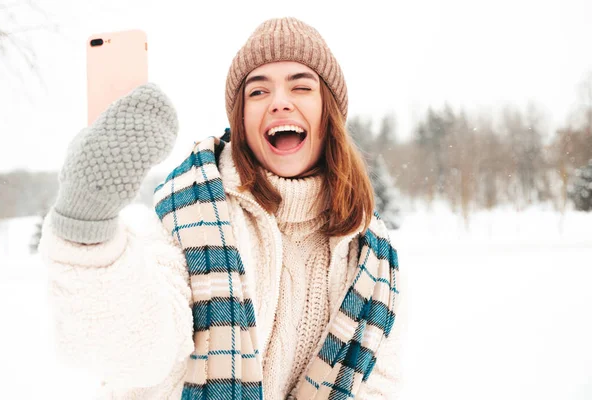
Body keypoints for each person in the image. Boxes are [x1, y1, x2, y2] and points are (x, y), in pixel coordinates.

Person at [39, 17, 405, 400]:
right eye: (258, 92)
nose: (280, 101)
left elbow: (377, 385)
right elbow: (135, 351)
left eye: (301, 86)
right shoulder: (189, 215)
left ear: (328, 113)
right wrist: (86, 222)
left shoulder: (371, 257)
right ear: (241, 121)